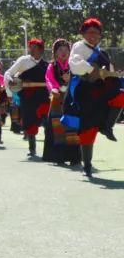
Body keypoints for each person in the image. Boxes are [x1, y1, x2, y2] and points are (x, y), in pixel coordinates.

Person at [62, 18, 123, 177]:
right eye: (89, 32)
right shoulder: (79, 46)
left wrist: (113, 74)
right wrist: (91, 70)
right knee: (87, 130)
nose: (93, 35)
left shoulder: (103, 53)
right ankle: (87, 166)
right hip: (85, 93)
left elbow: (109, 71)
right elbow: (74, 63)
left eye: (96, 33)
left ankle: (107, 127)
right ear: (83, 34)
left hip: (101, 92)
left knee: (121, 95)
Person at [4, 39, 51, 157]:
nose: (32, 50)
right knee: (30, 122)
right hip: (27, 97)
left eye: (35, 48)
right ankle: (32, 149)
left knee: (48, 122)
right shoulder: (23, 61)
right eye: (31, 47)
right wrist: (11, 80)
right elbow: (8, 73)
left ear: (41, 50)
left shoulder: (46, 65)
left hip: (43, 97)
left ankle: (49, 149)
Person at [43, 38, 81, 166]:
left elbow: (80, 78)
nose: (63, 52)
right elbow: (49, 79)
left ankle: (74, 157)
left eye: (66, 50)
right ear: (55, 53)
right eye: (60, 50)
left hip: (72, 99)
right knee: (57, 128)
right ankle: (59, 157)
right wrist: (54, 88)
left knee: (72, 126)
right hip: (57, 98)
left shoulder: (74, 65)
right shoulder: (52, 66)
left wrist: (72, 79)